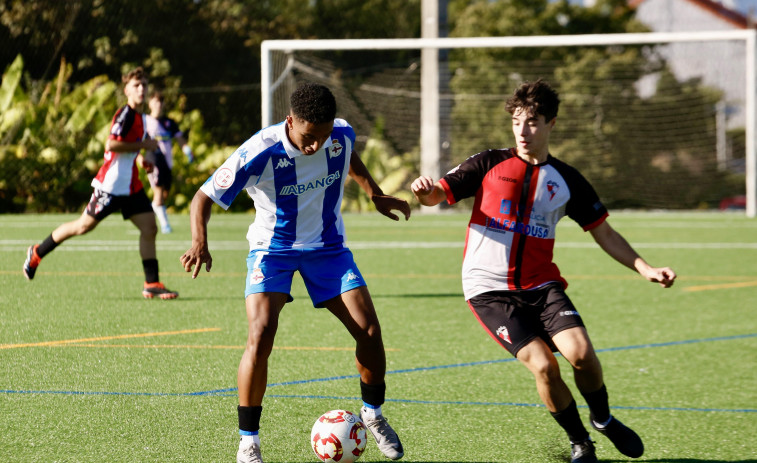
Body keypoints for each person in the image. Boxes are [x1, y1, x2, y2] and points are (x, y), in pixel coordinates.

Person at [410, 79, 676, 463]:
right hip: (489, 290)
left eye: (532, 121)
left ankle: (602, 418)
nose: (523, 130)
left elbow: (604, 232)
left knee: (582, 355)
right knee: (544, 365)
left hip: (541, 285)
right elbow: (438, 193)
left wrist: (645, 268)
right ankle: (580, 441)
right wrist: (424, 193)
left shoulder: (567, 179)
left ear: (551, 123)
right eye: (517, 121)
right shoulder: (489, 163)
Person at [180, 82, 410, 463]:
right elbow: (203, 196)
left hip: (327, 248)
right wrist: (198, 241)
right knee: (261, 332)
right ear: (290, 121)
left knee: (369, 330)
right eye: (308, 137)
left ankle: (373, 414)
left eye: (322, 137)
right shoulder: (261, 150)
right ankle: (248, 441)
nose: (315, 146)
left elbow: (348, 156)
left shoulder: (341, 133)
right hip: (273, 250)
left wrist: (374, 192)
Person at [23, 67, 179, 300]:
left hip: (131, 186)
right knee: (82, 227)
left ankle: (152, 282)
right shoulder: (125, 115)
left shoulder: (142, 118)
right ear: (126, 90)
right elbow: (111, 145)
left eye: (144, 84)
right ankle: (37, 252)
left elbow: (137, 146)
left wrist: (146, 160)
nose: (141, 89)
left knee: (150, 228)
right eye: (137, 85)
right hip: (112, 185)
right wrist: (143, 147)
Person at [144, 89, 194, 234]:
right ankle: (165, 225)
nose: (158, 104)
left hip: (167, 162)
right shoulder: (146, 121)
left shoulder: (169, 123)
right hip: (153, 160)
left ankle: (147, 216)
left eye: (161, 101)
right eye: (155, 101)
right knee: (158, 192)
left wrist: (187, 150)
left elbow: (180, 139)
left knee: (165, 194)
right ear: (150, 104)